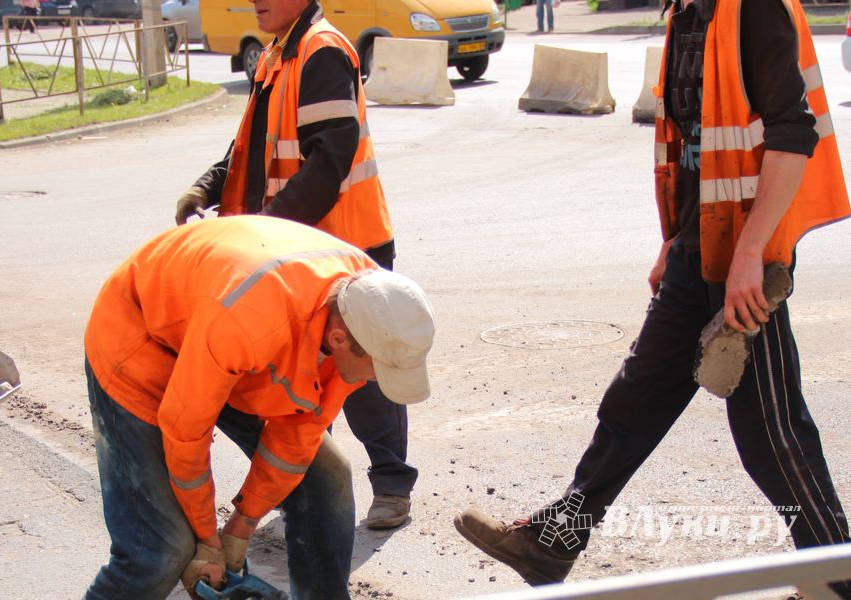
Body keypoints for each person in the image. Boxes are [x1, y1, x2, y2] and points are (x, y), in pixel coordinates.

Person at [454, 0, 851, 596]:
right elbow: (699, 146)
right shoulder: (689, 15)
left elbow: (794, 135)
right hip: (700, 246)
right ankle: (555, 543)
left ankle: (836, 574)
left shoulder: (753, 8)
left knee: (771, 430)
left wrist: (751, 253)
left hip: (747, 254)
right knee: (634, 401)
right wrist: (676, 240)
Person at [83, 216, 436, 599]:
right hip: (143, 335)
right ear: (337, 339)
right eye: (377, 370)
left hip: (236, 341)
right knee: (162, 550)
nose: (374, 381)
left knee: (325, 475)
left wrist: (240, 527)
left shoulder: (370, 307)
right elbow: (186, 435)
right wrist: (206, 540)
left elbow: (298, 437)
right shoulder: (248, 322)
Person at [173, 0, 416, 531]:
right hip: (295, 254)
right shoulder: (276, 55)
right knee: (300, 376)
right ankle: (314, 491)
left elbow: (330, 159)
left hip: (345, 248)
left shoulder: (321, 51)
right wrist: (208, 186)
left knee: (362, 374)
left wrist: (267, 238)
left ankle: (392, 485)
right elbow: (248, 148)